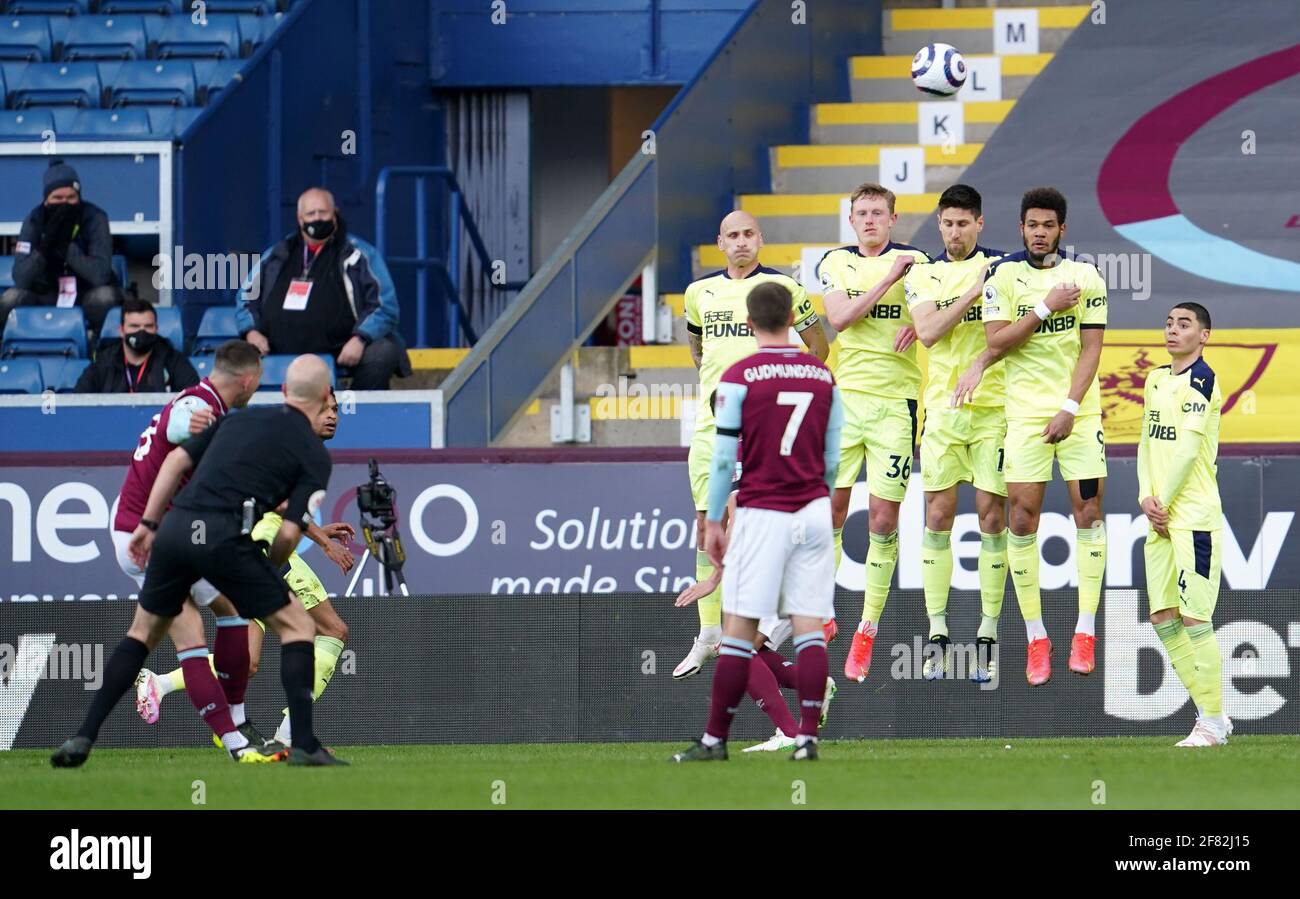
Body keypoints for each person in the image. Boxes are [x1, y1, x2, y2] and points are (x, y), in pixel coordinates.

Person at [51, 355, 345, 768]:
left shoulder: (237, 421)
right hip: (221, 539)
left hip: (172, 531)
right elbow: (288, 532)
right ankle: (302, 744)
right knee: (298, 626)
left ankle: (83, 736)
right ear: (322, 398)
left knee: (143, 635)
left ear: (282, 391)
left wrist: (150, 523)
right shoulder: (313, 455)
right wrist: (269, 573)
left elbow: (174, 461)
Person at [672, 281, 841, 762]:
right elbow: (835, 450)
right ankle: (806, 737)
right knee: (806, 634)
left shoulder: (741, 376)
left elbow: (725, 463)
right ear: (794, 321)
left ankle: (721, 739)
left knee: (736, 639)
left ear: (748, 325)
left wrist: (717, 542)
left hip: (768, 518)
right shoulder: (820, 375)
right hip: (811, 515)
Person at [134, 391, 356, 751]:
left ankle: (160, 683)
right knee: (332, 629)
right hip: (263, 550)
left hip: (242, 547)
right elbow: (282, 500)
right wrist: (323, 542)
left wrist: (317, 532)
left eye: (336, 410)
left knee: (248, 661)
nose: (333, 416)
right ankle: (291, 735)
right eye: (325, 409)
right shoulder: (295, 445)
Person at [953, 187, 1108, 685]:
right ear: (1020, 229)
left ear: (1062, 229)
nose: (1040, 232)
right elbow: (996, 341)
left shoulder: (1086, 276)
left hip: (1079, 415)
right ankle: (1036, 638)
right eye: (1032, 225)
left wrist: (1068, 408)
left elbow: (1091, 348)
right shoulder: (1002, 276)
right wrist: (1044, 306)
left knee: (1089, 514)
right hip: (1022, 419)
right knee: (1021, 520)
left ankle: (1085, 632)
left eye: (1049, 225)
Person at [674, 210, 829, 681]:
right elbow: (698, 349)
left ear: (760, 239)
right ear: (719, 242)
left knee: (753, 523)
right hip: (710, 425)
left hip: (760, 428)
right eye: (732, 236)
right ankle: (707, 635)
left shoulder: (783, 290)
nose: (741, 242)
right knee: (707, 522)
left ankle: (774, 622)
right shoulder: (699, 293)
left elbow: (818, 347)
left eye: (748, 234)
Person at [107, 337, 272, 753]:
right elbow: (181, 423)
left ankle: (235, 720)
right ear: (248, 380)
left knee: (232, 611)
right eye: (259, 383)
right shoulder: (200, 406)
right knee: (189, 635)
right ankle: (235, 742)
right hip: (144, 537)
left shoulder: (204, 399)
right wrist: (194, 426)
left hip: (162, 533)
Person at [819, 182, 928, 683]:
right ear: (851, 219)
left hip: (896, 407)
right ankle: (823, 609)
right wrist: (889, 280)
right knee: (831, 512)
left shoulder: (919, 261)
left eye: (877, 213)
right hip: (846, 403)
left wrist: (923, 326)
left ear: (892, 219)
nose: (868, 220)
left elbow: (936, 316)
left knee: (883, 521)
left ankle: (867, 627)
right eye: (860, 213)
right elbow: (839, 318)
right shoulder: (836, 263)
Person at [903, 184, 1008, 682]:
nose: (954, 231)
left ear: (979, 224)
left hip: (994, 411)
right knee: (938, 516)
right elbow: (927, 333)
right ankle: (938, 633)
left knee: (992, 519)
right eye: (947, 223)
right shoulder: (924, 275)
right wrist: (974, 290)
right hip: (943, 411)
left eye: (964, 223)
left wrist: (990, 283)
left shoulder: (1007, 269)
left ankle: (987, 634)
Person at [1139, 302, 1230, 747]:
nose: (1173, 330)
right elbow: (1145, 441)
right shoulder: (1156, 378)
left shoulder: (1202, 381)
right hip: (1157, 518)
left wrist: (1164, 503)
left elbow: (1190, 451)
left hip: (1191, 516)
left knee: (1195, 618)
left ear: (1204, 335)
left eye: (1185, 324)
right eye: (1170, 323)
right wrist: (1145, 497)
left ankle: (1211, 721)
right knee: (1162, 616)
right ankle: (1213, 715)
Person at [236, 187, 410, 389]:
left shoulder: (359, 254)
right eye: (311, 213)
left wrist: (360, 339)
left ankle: (353, 412)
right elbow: (246, 296)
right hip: (277, 349)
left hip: (341, 349)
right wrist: (251, 333)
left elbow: (385, 307)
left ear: (335, 214)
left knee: (383, 352)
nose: (317, 218)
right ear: (300, 219)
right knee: (230, 355)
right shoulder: (277, 254)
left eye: (323, 212)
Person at [1, 159, 124, 336]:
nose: (64, 203)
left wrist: (66, 248)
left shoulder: (95, 218)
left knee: (105, 297)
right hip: (44, 293)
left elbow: (100, 276)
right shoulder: (34, 220)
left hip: (85, 292)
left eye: (71, 198)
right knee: (10, 299)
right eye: (57, 198)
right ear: (46, 200)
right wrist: (44, 249)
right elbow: (20, 278)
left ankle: (98, 349)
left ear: (79, 198)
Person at [75, 298, 198, 393]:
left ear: (156, 329)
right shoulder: (104, 362)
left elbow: (195, 399)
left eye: (148, 326)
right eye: (134, 326)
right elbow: (79, 400)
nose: (142, 331)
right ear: (121, 330)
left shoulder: (174, 361)